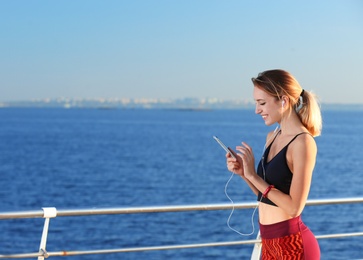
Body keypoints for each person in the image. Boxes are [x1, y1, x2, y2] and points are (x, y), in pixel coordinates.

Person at [226, 69, 321, 259]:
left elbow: (294, 207)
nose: (257, 110)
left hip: (293, 245)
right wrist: (244, 173)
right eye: (256, 103)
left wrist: (253, 175)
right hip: (268, 245)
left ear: (283, 101)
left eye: (262, 103)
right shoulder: (272, 137)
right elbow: (267, 196)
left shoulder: (303, 143)